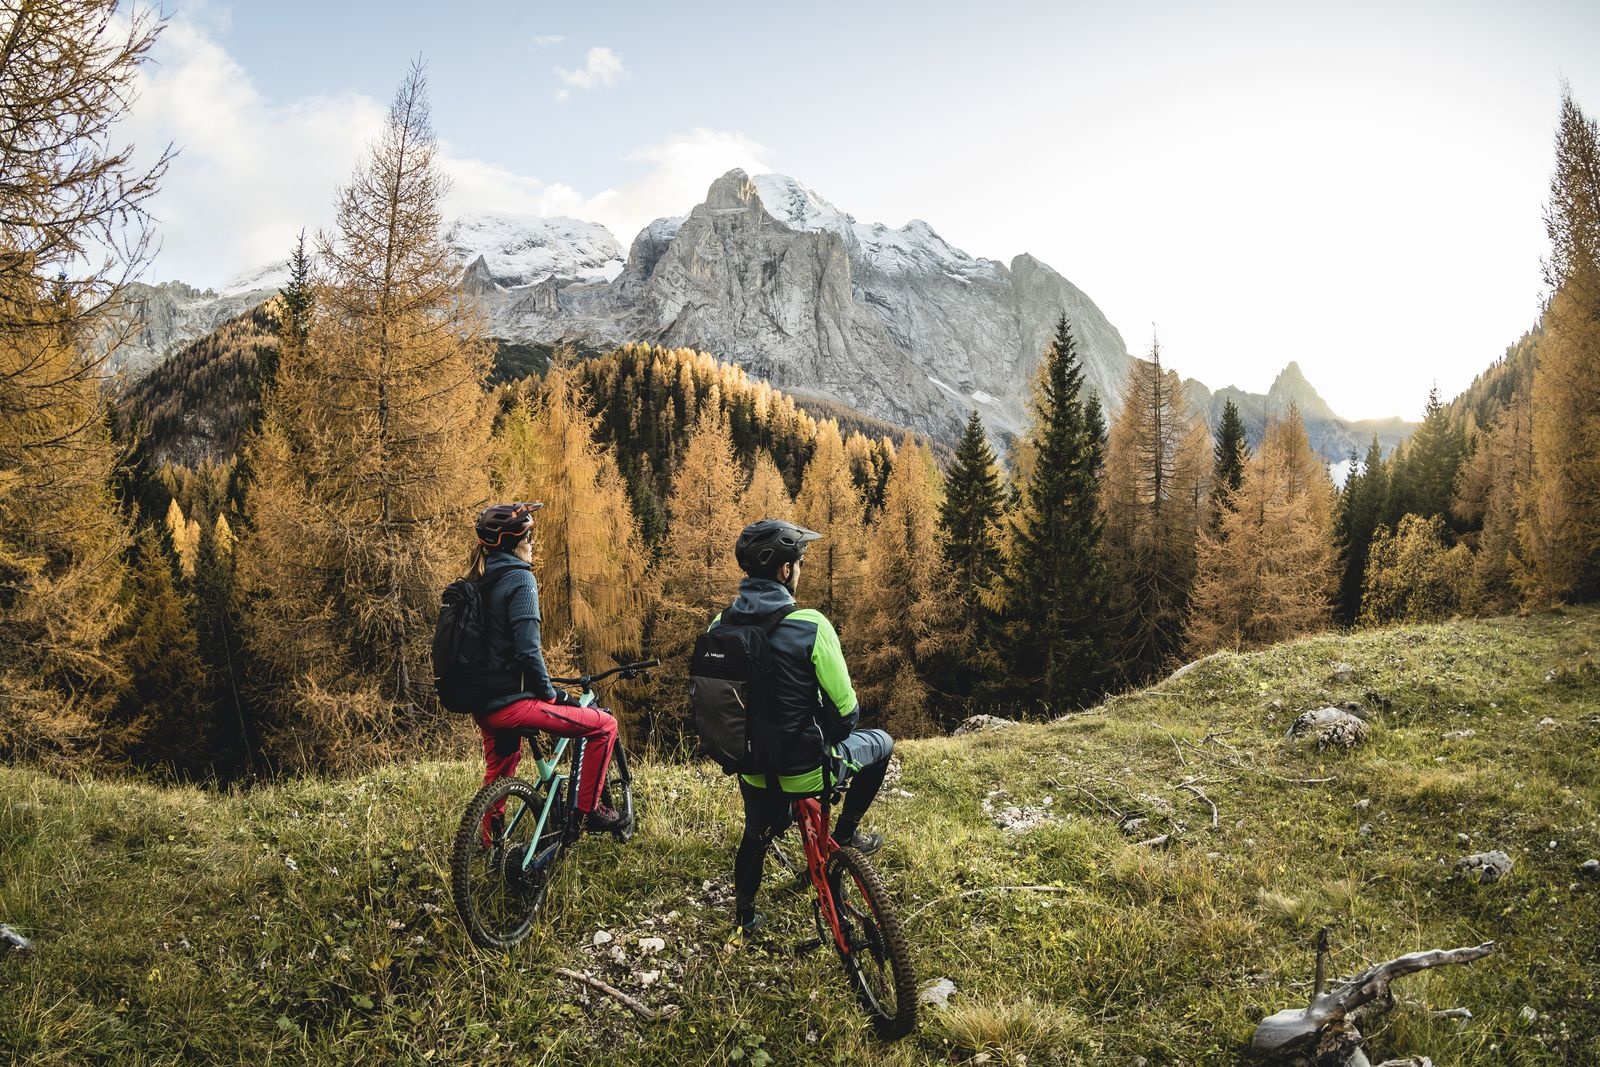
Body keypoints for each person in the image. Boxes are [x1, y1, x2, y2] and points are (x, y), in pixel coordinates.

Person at [714, 518, 894, 933]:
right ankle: (846, 835)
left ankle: (744, 916)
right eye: (798, 562)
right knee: (881, 743)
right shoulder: (811, 624)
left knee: (756, 831)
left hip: (751, 771)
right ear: (784, 570)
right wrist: (821, 729)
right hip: (807, 769)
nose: (799, 570)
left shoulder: (718, 627)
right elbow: (848, 714)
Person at [469, 502, 625, 834]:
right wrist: (551, 694)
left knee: (499, 773)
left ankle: (486, 846)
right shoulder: (520, 580)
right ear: (513, 542)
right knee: (604, 726)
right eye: (529, 535)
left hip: (484, 705)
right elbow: (528, 651)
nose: (533, 542)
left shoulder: (478, 579)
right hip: (513, 706)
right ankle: (587, 811)